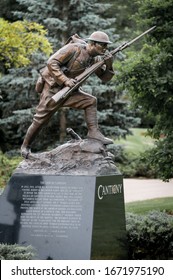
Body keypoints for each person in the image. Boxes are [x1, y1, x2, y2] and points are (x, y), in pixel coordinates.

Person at [21, 31, 115, 158]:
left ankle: (93, 132)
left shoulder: (96, 59)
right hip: (53, 90)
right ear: (92, 44)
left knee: (90, 101)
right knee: (40, 120)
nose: (105, 48)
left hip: (71, 92)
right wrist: (65, 80)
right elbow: (51, 62)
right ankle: (25, 147)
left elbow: (104, 78)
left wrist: (109, 65)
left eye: (106, 46)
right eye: (102, 45)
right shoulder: (74, 49)